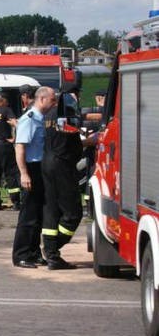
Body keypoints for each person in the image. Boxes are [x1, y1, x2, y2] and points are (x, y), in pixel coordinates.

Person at [41, 99, 98, 270]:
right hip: (62, 166)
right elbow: (73, 141)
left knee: (51, 209)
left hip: (48, 163)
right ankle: (51, 251)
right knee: (73, 213)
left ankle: (51, 254)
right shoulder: (66, 115)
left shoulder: (48, 115)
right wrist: (91, 140)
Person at [12, 86, 58, 269]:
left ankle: (34, 253)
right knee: (28, 215)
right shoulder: (29, 119)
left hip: (40, 169)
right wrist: (24, 173)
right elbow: (20, 148)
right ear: (42, 99)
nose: (54, 103)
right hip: (30, 169)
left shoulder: (41, 119)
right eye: (52, 100)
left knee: (39, 214)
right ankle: (21, 255)